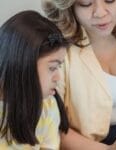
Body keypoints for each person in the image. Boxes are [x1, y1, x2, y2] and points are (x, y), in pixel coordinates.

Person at [42, 0, 116, 149]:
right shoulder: (55, 49)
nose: (100, 13)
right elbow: (51, 127)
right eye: (86, 3)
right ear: (68, 6)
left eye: (110, 0)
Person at [0, 10, 69, 149]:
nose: (58, 77)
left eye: (59, 67)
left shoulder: (48, 106)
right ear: (23, 65)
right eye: (52, 68)